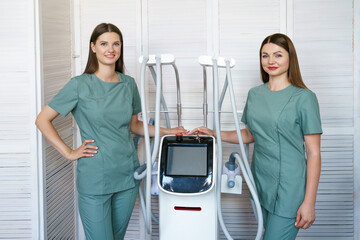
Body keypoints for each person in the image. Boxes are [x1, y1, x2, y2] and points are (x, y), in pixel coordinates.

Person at [35, 23, 186, 240]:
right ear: (93, 47)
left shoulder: (129, 84)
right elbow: (42, 120)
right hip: (95, 178)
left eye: (116, 43)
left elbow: (134, 125)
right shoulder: (79, 85)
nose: (110, 49)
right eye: (104, 43)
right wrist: (69, 153)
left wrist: (167, 130)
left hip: (126, 176)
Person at [188, 33, 322, 240]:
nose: (271, 61)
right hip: (260, 181)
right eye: (265, 56)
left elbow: (313, 153)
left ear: (290, 58)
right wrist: (214, 133)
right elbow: (250, 134)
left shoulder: (304, 98)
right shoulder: (255, 94)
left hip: (290, 187)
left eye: (278, 55)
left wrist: (309, 202)